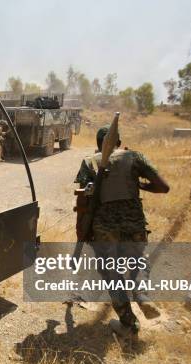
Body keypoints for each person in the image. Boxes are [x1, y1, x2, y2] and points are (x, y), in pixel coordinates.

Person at [74, 125, 170, 337]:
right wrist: (140, 186)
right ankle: (142, 295)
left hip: (104, 227)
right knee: (138, 260)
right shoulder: (134, 157)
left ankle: (128, 323)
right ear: (118, 142)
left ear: (98, 144)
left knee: (111, 272)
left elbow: (82, 201)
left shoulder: (90, 162)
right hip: (133, 222)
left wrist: (81, 230)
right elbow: (163, 187)